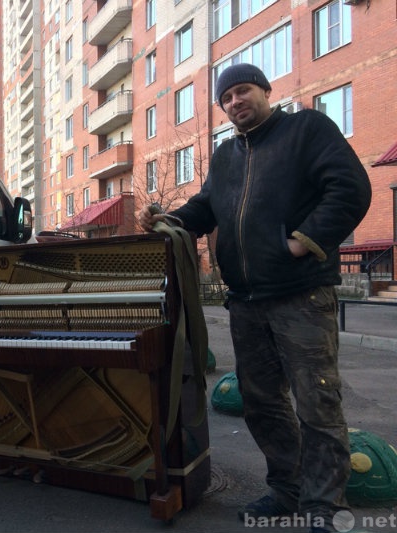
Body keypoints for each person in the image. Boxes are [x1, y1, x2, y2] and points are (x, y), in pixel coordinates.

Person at [139, 64, 371, 533]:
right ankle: (287, 490)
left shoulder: (306, 129)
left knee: (317, 404)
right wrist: (167, 220)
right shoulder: (225, 155)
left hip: (300, 295)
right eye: (226, 99)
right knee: (262, 403)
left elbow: (350, 188)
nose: (234, 102)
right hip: (245, 300)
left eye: (243, 91)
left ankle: (323, 507)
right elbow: (204, 208)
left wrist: (302, 241)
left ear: (266, 91)